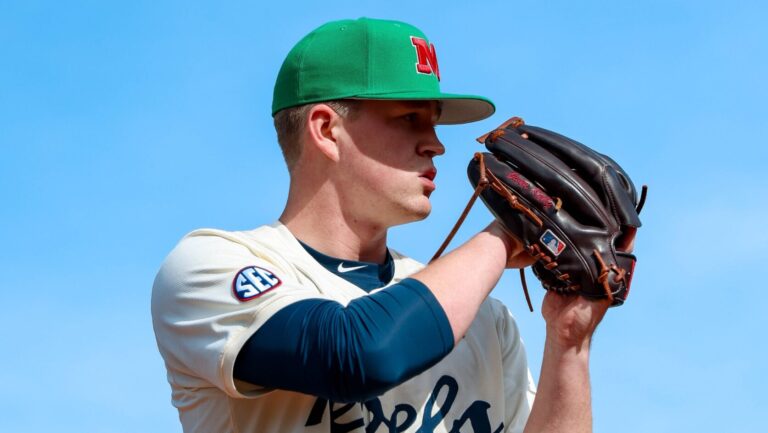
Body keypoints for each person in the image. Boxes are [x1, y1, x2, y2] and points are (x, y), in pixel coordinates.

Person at [151, 17, 611, 433]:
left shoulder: (485, 319)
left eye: (433, 124)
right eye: (409, 118)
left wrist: (570, 342)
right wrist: (505, 233)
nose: (435, 145)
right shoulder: (209, 266)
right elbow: (356, 355)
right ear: (327, 129)